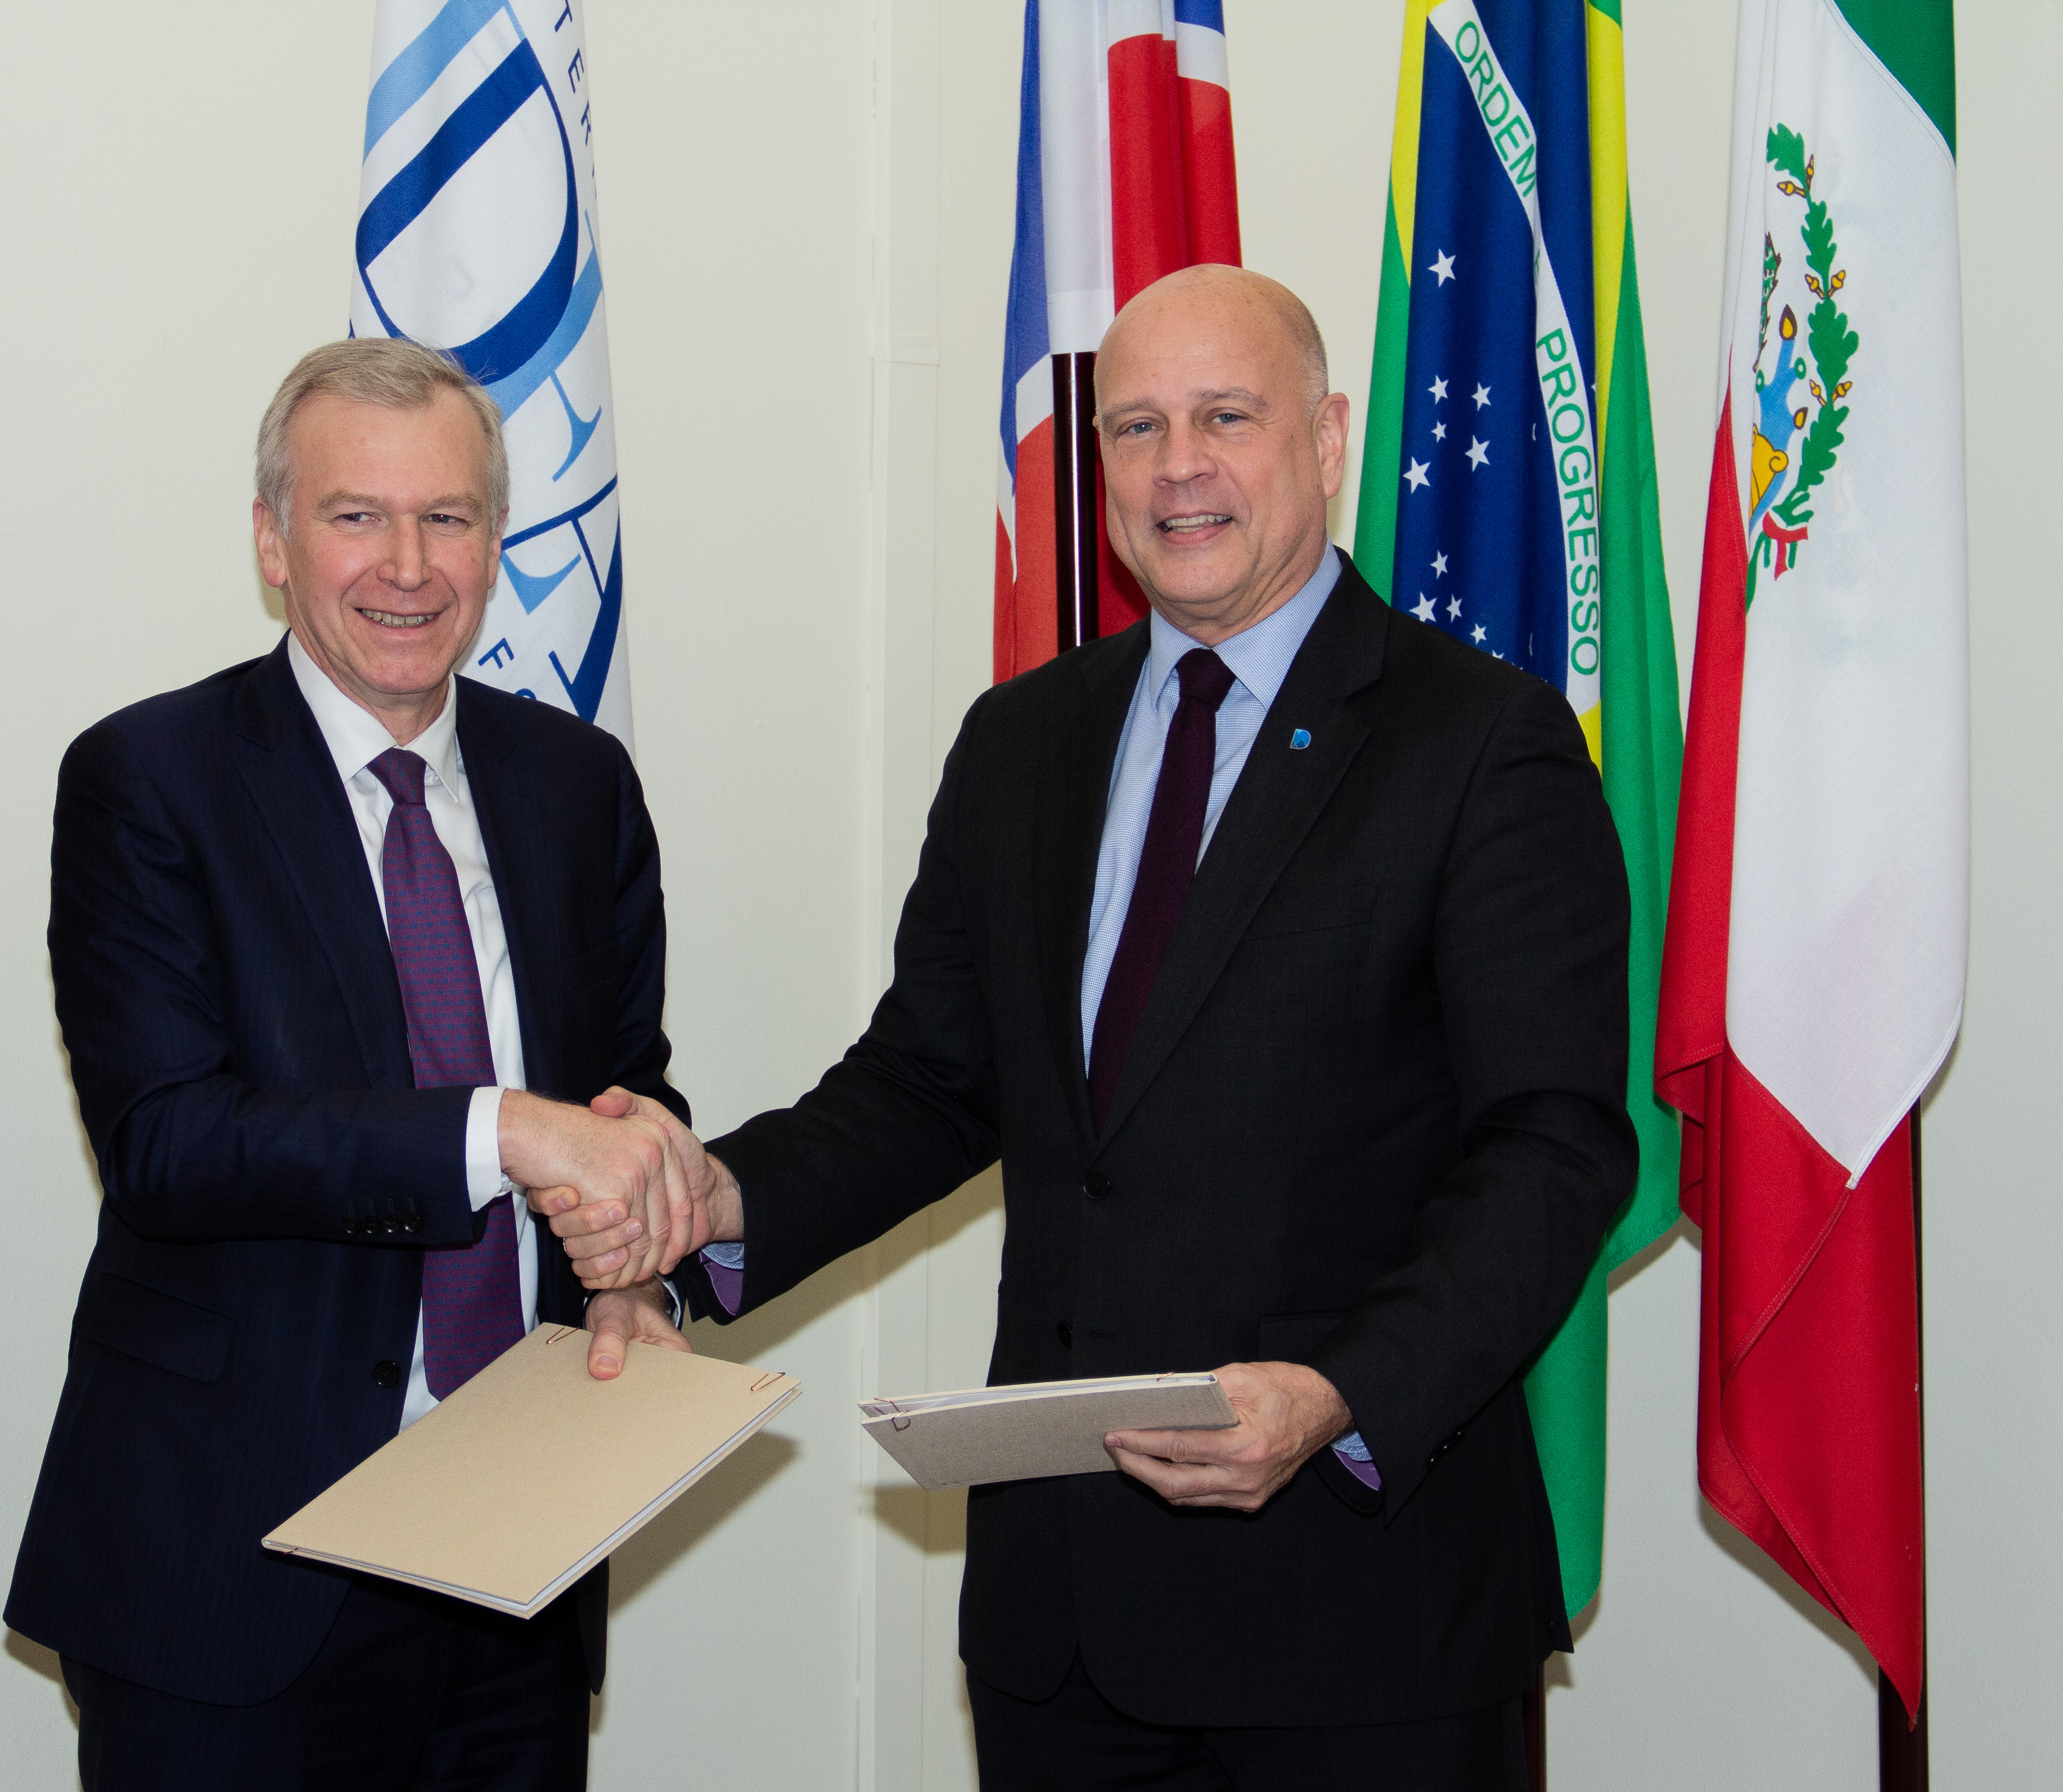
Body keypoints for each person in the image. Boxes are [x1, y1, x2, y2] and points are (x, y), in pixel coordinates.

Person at [560, 266, 1634, 1790]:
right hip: (1060, 1627)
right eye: (1134, 426)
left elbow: (1554, 1146)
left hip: (1353, 1613)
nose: (1177, 464)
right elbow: (931, 1082)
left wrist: (1338, 1391)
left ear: (1325, 437)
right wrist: (706, 1203)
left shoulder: (1479, 742)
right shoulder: (1025, 739)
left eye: (1224, 416)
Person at [4, 337, 707, 1791]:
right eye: (354, 516)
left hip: (516, 1572)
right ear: (272, 540)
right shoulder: (148, 782)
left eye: (447, 517)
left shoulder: (578, 787)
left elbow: (629, 1089)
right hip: (234, 1577)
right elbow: (169, 1140)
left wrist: (637, 1247)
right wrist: (505, 1131)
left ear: (497, 541)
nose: (407, 564)